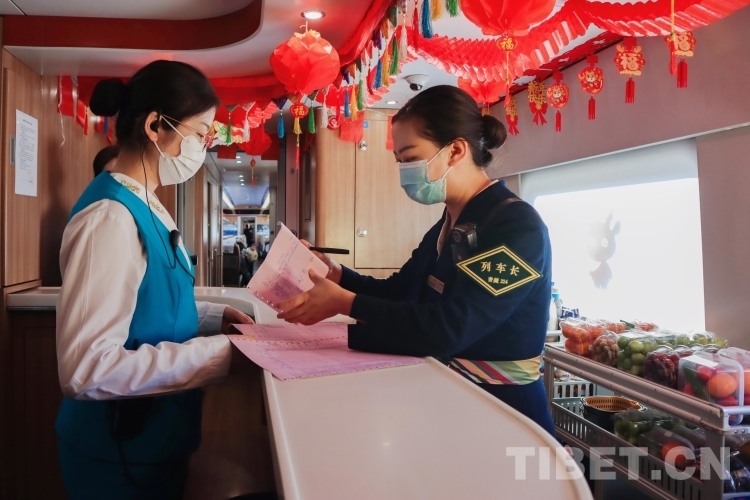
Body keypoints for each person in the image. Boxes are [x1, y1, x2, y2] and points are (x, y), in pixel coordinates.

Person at [275, 85, 555, 435]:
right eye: (400, 162)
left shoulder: (516, 226)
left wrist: (346, 303)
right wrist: (337, 275)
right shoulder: (449, 221)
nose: (404, 172)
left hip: (504, 408)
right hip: (450, 394)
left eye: (410, 159)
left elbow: (451, 327)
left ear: (455, 150)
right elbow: (402, 290)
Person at [56, 60, 254, 499]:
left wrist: (211, 317)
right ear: (155, 127)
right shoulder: (109, 218)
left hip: (154, 441)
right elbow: (86, 369)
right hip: (115, 453)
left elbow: (148, 301)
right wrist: (221, 354)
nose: (202, 147)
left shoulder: (146, 203)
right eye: (199, 133)